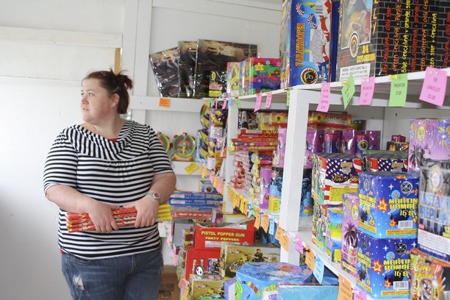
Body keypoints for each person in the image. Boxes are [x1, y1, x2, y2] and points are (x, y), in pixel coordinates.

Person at [43, 69, 176, 300]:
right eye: (82, 93)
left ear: (114, 99)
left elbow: (166, 176)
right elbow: (54, 187)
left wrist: (152, 198)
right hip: (91, 260)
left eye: (91, 94)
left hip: (145, 254)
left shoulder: (144, 134)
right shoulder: (70, 137)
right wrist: (91, 206)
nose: (83, 100)